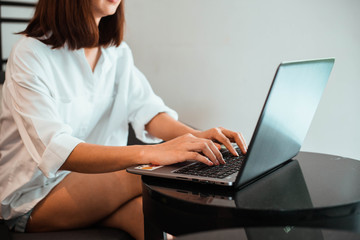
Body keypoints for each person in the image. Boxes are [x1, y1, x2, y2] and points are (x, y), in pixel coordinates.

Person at [0, 0, 247, 239]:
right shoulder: (30, 54)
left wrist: (192, 137)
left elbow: (148, 110)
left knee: (150, 219)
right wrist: (152, 154)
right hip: (33, 198)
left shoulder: (116, 53)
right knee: (150, 173)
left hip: (91, 184)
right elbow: (56, 150)